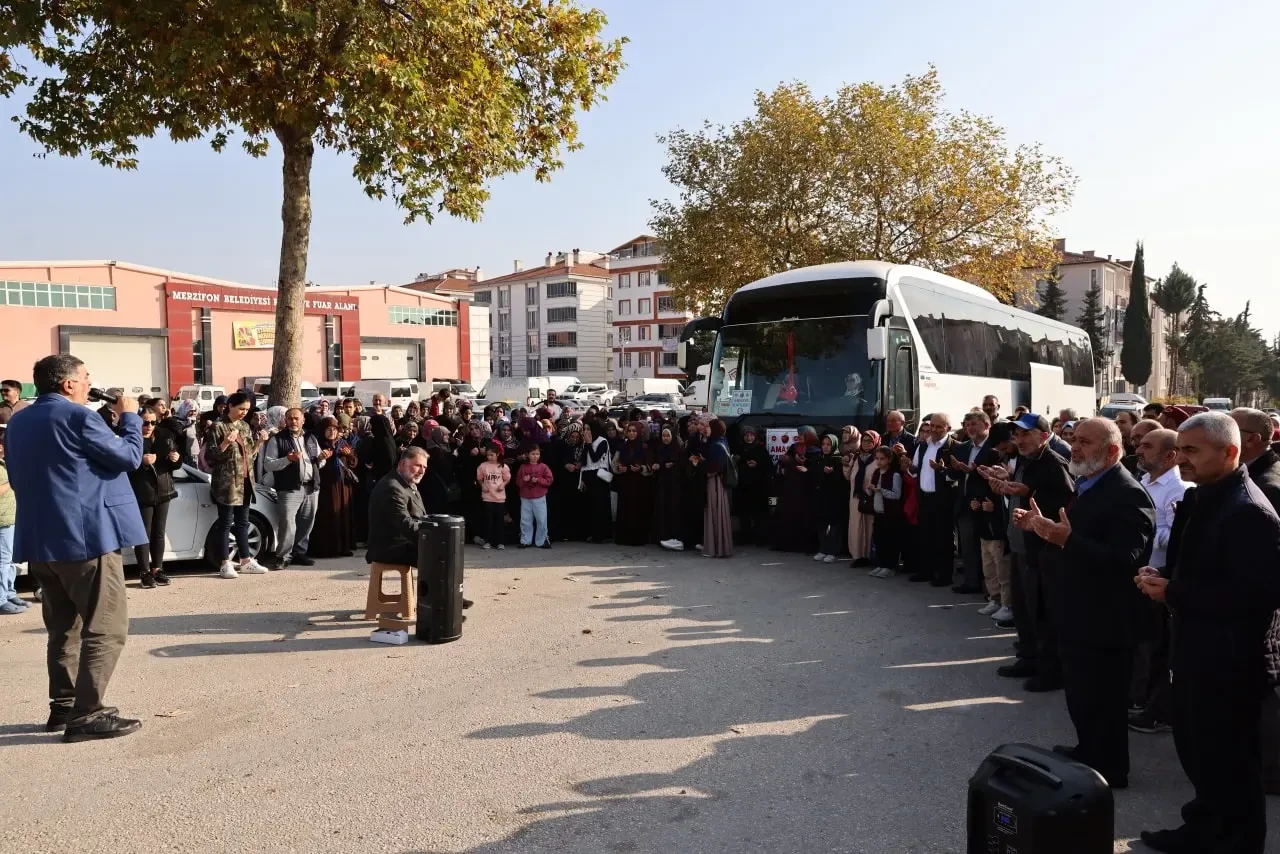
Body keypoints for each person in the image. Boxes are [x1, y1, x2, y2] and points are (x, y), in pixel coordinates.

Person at [1138, 413, 1280, 854]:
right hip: (1197, 650)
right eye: (1180, 449)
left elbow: (1254, 597)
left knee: (1230, 763)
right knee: (1201, 754)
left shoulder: (1249, 511)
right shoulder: (1207, 497)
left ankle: (1236, 843)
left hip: (1230, 662)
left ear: (1230, 452)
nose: (1181, 459)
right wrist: (1161, 575)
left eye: (1193, 451)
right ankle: (1202, 829)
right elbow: (1201, 567)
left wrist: (1174, 592)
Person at [5, 354, 146, 740]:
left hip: (41, 541)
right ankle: (88, 714)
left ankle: (63, 708)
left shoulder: (18, 421)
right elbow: (130, 457)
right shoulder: (78, 417)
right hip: (86, 538)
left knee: (63, 629)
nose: (88, 384)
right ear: (68, 384)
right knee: (106, 626)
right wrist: (131, 418)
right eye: (85, 378)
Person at [1016, 417, 1154, 789]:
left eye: (1085, 442)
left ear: (1111, 451)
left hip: (1105, 620)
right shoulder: (1090, 482)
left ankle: (1110, 769)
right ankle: (1089, 753)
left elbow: (1127, 559)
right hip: (1079, 613)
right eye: (1074, 440)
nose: (1075, 447)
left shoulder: (1127, 493)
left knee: (1103, 700)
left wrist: (1066, 541)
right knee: (1082, 696)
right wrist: (1042, 527)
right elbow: (1075, 537)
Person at [986, 414, 1074, 690]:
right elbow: (1021, 494)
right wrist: (1008, 486)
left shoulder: (1054, 464)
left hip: (1042, 552)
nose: (1020, 440)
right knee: (1024, 611)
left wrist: (1025, 492)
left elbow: (1065, 506)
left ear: (1044, 436)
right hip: (1021, 547)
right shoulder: (1025, 460)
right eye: (1017, 435)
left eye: (1026, 434)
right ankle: (1028, 658)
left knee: (1043, 614)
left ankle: (1051, 671)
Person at [1126, 428, 1188, 735]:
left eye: (1147, 446)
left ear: (1170, 455)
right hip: (1141, 574)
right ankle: (1139, 695)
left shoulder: (1179, 489)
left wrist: (1143, 531)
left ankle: (1152, 704)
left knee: (1155, 645)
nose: (1139, 449)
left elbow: (1175, 538)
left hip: (1160, 579)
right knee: (1140, 640)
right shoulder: (1145, 480)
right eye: (1140, 444)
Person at [205, 392, 270, 579]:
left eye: (247, 410)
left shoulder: (244, 426)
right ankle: (225, 563)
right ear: (230, 406)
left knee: (243, 522)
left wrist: (259, 442)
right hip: (227, 483)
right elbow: (211, 458)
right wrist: (225, 443)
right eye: (241, 408)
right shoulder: (218, 427)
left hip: (245, 481)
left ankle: (246, 560)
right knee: (225, 523)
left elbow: (250, 455)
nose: (243, 413)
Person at [262, 407, 325, 569]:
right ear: (285, 420)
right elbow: (268, 465)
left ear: (303, 420)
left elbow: (318, 462)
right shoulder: (277, 440)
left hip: (311, 487)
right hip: (289, 488)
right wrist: (287, 459)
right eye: (290, 418)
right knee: (288, 523)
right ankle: (283, 556)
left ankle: (299, 553)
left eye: (297, 418)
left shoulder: (311, 438)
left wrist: (322, 458)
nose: (293, 421)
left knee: (306, 522)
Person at [127, 405, 182, 588]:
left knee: (159, 533)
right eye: (145, 422)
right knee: (144, 534)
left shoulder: (164, 436)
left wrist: (176, 459)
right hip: (143, 492)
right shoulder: (132, 440)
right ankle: (144, 572)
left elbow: (174, 465)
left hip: (163, 489)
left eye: (152, 422)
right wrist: (141, 462)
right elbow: (125, 467)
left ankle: (157, 569)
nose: (149, 426)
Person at [952, 411, 1000, 595]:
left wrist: (974, 471)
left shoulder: (995, 448)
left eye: (974, 424)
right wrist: (953, 469)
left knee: (990, 551)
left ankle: (992, 590)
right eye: (967, 424)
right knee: (969, 547)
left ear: (987, 426)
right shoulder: (963, 448)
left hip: (987, 504)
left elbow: (997, 476)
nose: (969, 428)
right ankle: (971, 582)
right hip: (965, 504)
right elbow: (956, 475)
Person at [909, 412, 959, 586]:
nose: (935, 430)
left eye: (939, 426)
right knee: (925, 536)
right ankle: (926, 571)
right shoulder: (923, 446)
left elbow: (956, 476)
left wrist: (942, 470)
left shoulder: (954, 447)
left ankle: (945, 575)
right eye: (933, 426)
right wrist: (909, 467)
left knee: (943, 539)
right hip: (924, 498)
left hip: (943, 500)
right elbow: (915, 470)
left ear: (948, 428)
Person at [366, 446, 428, 566]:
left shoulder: (406, 482)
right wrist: (433, 534)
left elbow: (419, 517)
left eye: (424, 467)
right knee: (439, 550)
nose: (422, 471)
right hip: (390, 548)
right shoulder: (392, 487)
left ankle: (445, 585)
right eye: (418, 466)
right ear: (403, 463)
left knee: (445, 546)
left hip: (403, 542)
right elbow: (405, 523)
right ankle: (436, 585)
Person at [308, 417, 355, 558]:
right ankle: (325, 549)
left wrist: (350, 455)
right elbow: (310, 463)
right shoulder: (317, 444)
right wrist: (320, 458)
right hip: (326, 486)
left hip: (343, 486)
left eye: (334, 429)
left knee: (342, 514)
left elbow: (354, 462)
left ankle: (342, 547)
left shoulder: (342, 443)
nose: (332, 432)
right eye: (328, 429)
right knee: (327, 515)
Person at [772, 426, 820, 553]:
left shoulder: (816, 450)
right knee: (787, 515)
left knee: (805, 518)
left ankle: (805, 546)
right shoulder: (794, 447)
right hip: (790, 488)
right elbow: (785, 461)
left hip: (805, 490)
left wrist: (801, 462)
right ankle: (787, 545)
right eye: (798, 433)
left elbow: (815, 468)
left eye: (802, 434)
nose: (799, 436)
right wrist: (785, 460)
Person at [866, 446, 905, 577]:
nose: (879, 461)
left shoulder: (895, 474)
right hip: (878, 512)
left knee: (890, 541)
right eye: (877, 458)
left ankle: (890, 566)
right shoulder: (876, 472)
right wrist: (870, 488)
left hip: (890, 514)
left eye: (882, 459)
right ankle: (881, 564)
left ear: (889, 459)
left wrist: (881, 490)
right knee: (879, 540)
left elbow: (896, 495)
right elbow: (870, 492)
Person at [613, 422, 654, 546]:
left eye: (634, 431)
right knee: (625, 509)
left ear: (639, 432)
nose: (631, 433)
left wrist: (641, 468)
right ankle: (624, 538)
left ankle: (638, 539)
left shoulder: (644, 447)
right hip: (625, 483)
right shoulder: (622, 446)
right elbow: (614, 463)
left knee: (638, 510)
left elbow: (650, 466)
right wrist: (619, 468)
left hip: (639, 485)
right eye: (629, 431)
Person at [732, 425, 773, 547]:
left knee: (759, 515)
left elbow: (769, 467)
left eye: (751, 435)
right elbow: (733, 466)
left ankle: (760, 538)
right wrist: (740, 462)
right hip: (743, 487)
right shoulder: (739, 448)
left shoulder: (761, 449)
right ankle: (745, 537)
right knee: (744, 515)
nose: (749, 438)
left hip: (758, 487)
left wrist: (757, 465)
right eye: (746, 435)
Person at [0, 420, 26, 613]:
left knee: (9, 561)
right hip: (2, 520)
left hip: (10, 518)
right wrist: (13, 481)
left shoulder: (5, 463)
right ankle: (1, 600)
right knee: (2, 561)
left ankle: (9, 593)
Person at [549, 422, 588, 541]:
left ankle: (575, 534)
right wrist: (565, 465)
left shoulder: (583, 447)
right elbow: (555, 461)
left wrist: (580, 464)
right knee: (564, 507)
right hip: (564, 481)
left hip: (577, 480)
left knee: (576, 507)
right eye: (572, 436)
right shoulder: (561, 446)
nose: (574, 439)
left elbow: (587, 461)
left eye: (577, 437)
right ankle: (563, 533)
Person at [701, 418, 734, 557]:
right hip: (719, 482)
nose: (706, 429)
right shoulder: (722, 441)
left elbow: (715, 466)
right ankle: (720, 546)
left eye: (709, 427)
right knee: (718, 513)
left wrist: (700, 464)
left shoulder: (716, 444)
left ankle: (715, 548)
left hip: (714, 482)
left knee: (714, 512)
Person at [846, 429, 878, 567]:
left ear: (876, 442)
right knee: (856, 527)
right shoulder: (856, 458)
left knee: (870, 527)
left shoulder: (878, 458)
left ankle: (870, 557)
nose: (866, 443)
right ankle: (858, 556)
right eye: (864, 440)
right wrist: (845, 465)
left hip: (871, 498)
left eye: (870, 441)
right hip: (856, 498)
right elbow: (848, 477)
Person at [814, 434, 847, 563]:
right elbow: (815, 475)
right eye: (823, 444)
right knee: (822, 525)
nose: (825, 447)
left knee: (835, 527)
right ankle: (823, 549)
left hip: (835, 499)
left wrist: (832, 473)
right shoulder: (819, 459)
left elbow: (843, 480)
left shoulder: (839, 460)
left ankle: (833, 552)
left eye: (828, 444)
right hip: (822, 498)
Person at [652, 425, 686, 550]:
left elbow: (682, 467)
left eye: (668, 436)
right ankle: (663, 537)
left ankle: (675, 538)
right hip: (662, 485)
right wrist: (657, 466)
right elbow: (657, 462)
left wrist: (673, 466)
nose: (665, 438)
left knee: (674, 511)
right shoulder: (660, 448)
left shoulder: (678, 449)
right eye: (664, 436)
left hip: (675, 487)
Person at [581, 421, 613, 543]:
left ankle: (602, 535)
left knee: (600, 507)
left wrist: (589, 444)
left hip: (599, 478)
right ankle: (593, 533)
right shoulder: (585, 443)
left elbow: (595, 458)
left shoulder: (602, 441)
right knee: (591, 507)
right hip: (589, 477)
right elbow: (585, 461)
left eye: (589, 429)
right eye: (585, 429)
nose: (587, 432)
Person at [517, 444, 554, 549]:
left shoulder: (543, 467)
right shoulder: (523, 467)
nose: (535, 456)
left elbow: (549, 480)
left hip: (539, 497)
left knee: (541, 519)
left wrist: (538, 480)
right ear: (528, 455)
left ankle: (542, 540)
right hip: (525, 497)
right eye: (532, 454)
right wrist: (524, 480)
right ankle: (525, 540)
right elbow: (518, 482)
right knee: (525, 519)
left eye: (537, 454)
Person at [476, 443, 511, 549]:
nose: (489, 457)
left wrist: (503, 485)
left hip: (499, 498)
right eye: (488, 455)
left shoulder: (503, 466)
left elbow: (507, 478)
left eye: (492, 455)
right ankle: (488, 541)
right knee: (488, 520)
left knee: (499, 521)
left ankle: (500, 542)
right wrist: (483, 486)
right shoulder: (483, 466)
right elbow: (479, 478)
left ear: (497, 454)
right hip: (487, 497)